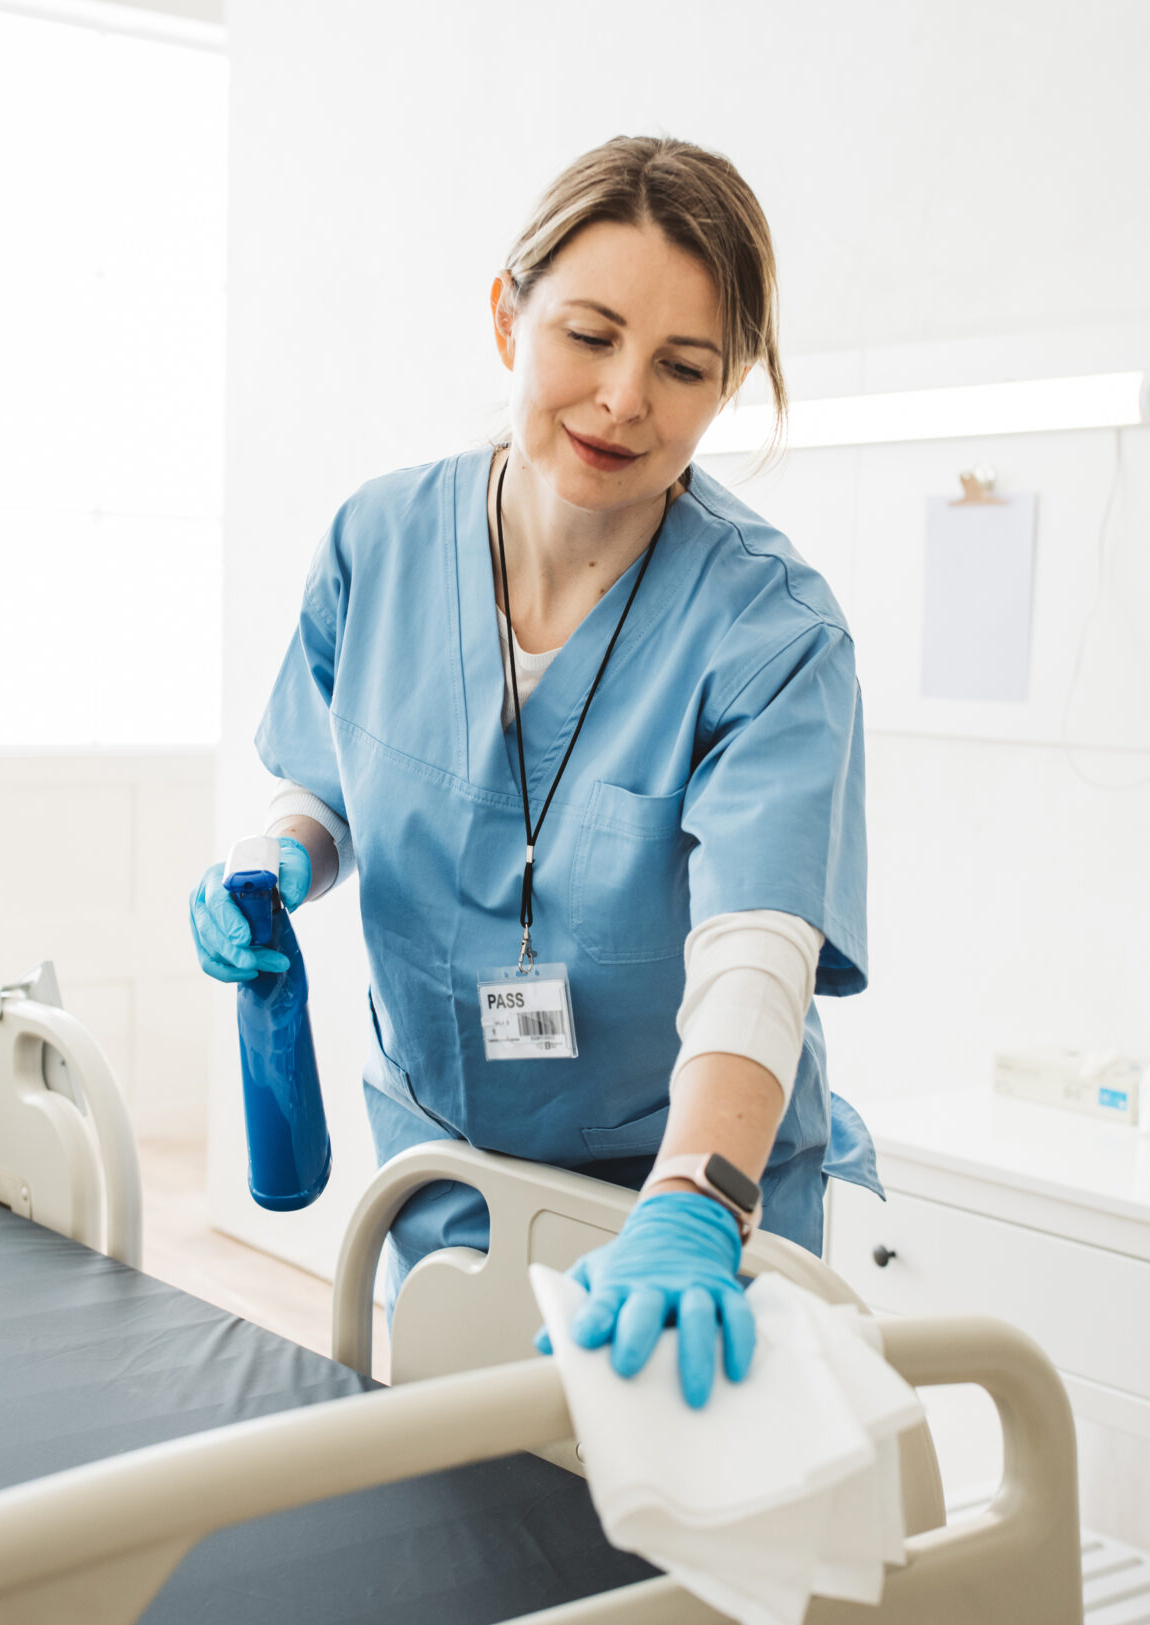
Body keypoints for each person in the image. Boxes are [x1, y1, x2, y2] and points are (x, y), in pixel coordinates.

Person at [191, 135, 877, 1409]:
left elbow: (756, 957)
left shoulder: (769, 632)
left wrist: (694, 1205)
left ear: (726, 390)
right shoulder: (377, 540)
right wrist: (282, 857)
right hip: (450, 1177)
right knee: (465, 1536)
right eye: (589, 336)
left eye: (684, 367)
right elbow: (327, 777)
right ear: (508, 318)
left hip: (679, 1205)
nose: (623, 400)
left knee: (666, 1582)